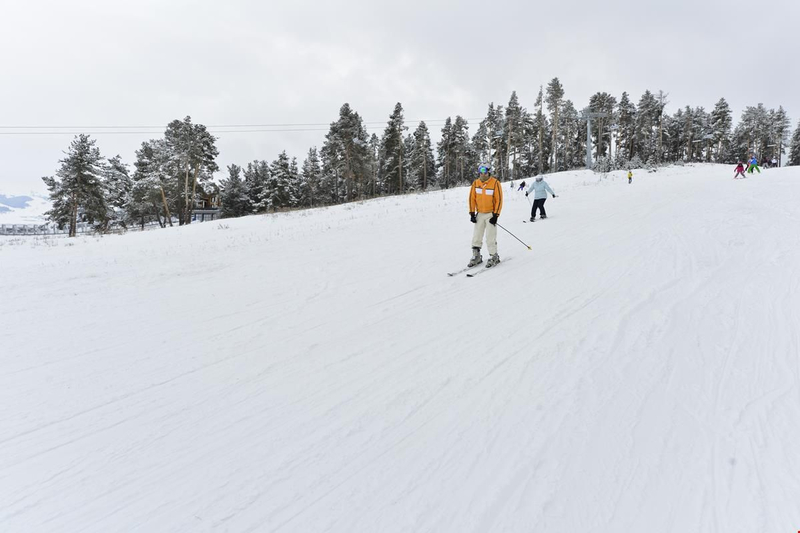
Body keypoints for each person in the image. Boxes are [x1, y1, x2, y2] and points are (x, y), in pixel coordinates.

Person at [468, 163, 504, 268]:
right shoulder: (476, 183)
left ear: (489, 172)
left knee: (490, 236)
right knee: (477, 236)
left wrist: (496, 215)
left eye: (485, 172)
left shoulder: (495, 183)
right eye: (480, 172)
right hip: (480, 214)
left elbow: (499, 200)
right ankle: (476, 255)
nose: (482, 174)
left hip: (491, 214)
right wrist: (472, 213)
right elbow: (472, 198)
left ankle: (494, 256)